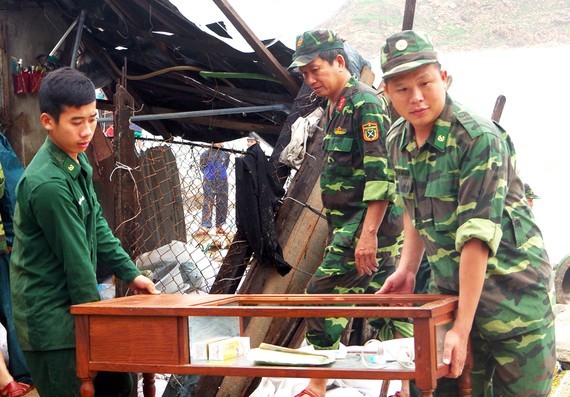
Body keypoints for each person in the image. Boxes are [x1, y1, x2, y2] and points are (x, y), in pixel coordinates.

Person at [379, 30, 555, 396]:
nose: (416, 97)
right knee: (434, 386)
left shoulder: (478, 139)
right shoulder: (397, 139)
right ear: (387, 93)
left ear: (444, 78)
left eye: (424, 83)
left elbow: (476, 238)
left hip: (513, 299)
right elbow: (412, 206)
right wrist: (407, 269)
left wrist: (462, 326)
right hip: (451, 295)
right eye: (402, 89)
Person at [9, 67, 159, 397]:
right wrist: (98, 327)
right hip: (53, 324)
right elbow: (78, 264)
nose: (88, 130)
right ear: (48, 121)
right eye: (76, 122)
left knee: (120, 384)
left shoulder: (75, 161)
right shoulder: (48, 185)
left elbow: (98, 227)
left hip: (77, 311)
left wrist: (132, 274)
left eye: (92, 119)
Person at [287, 29, 404, 397]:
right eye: (304, 74)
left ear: (339, 62)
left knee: (321, 295)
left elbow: (381, 174)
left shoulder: (364, 103)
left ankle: (318, 386)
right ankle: (409, 383)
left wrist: (367, 235)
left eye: (315, 69)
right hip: (350, 226)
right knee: (388, 302)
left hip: (368, 224)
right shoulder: (337, 104)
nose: (310, 80)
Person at [195, 142, 230, 236]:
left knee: (222, 202)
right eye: (217, 141)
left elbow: (226, 166)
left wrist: (220, 175)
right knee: (208, 202)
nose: (219, 143)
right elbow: (202, 166)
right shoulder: (205, 153)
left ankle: (220, 226)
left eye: (221, 141)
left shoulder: (225, 154)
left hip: (222, 180)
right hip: (209, 180)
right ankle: (205, 225)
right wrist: (209, 175)